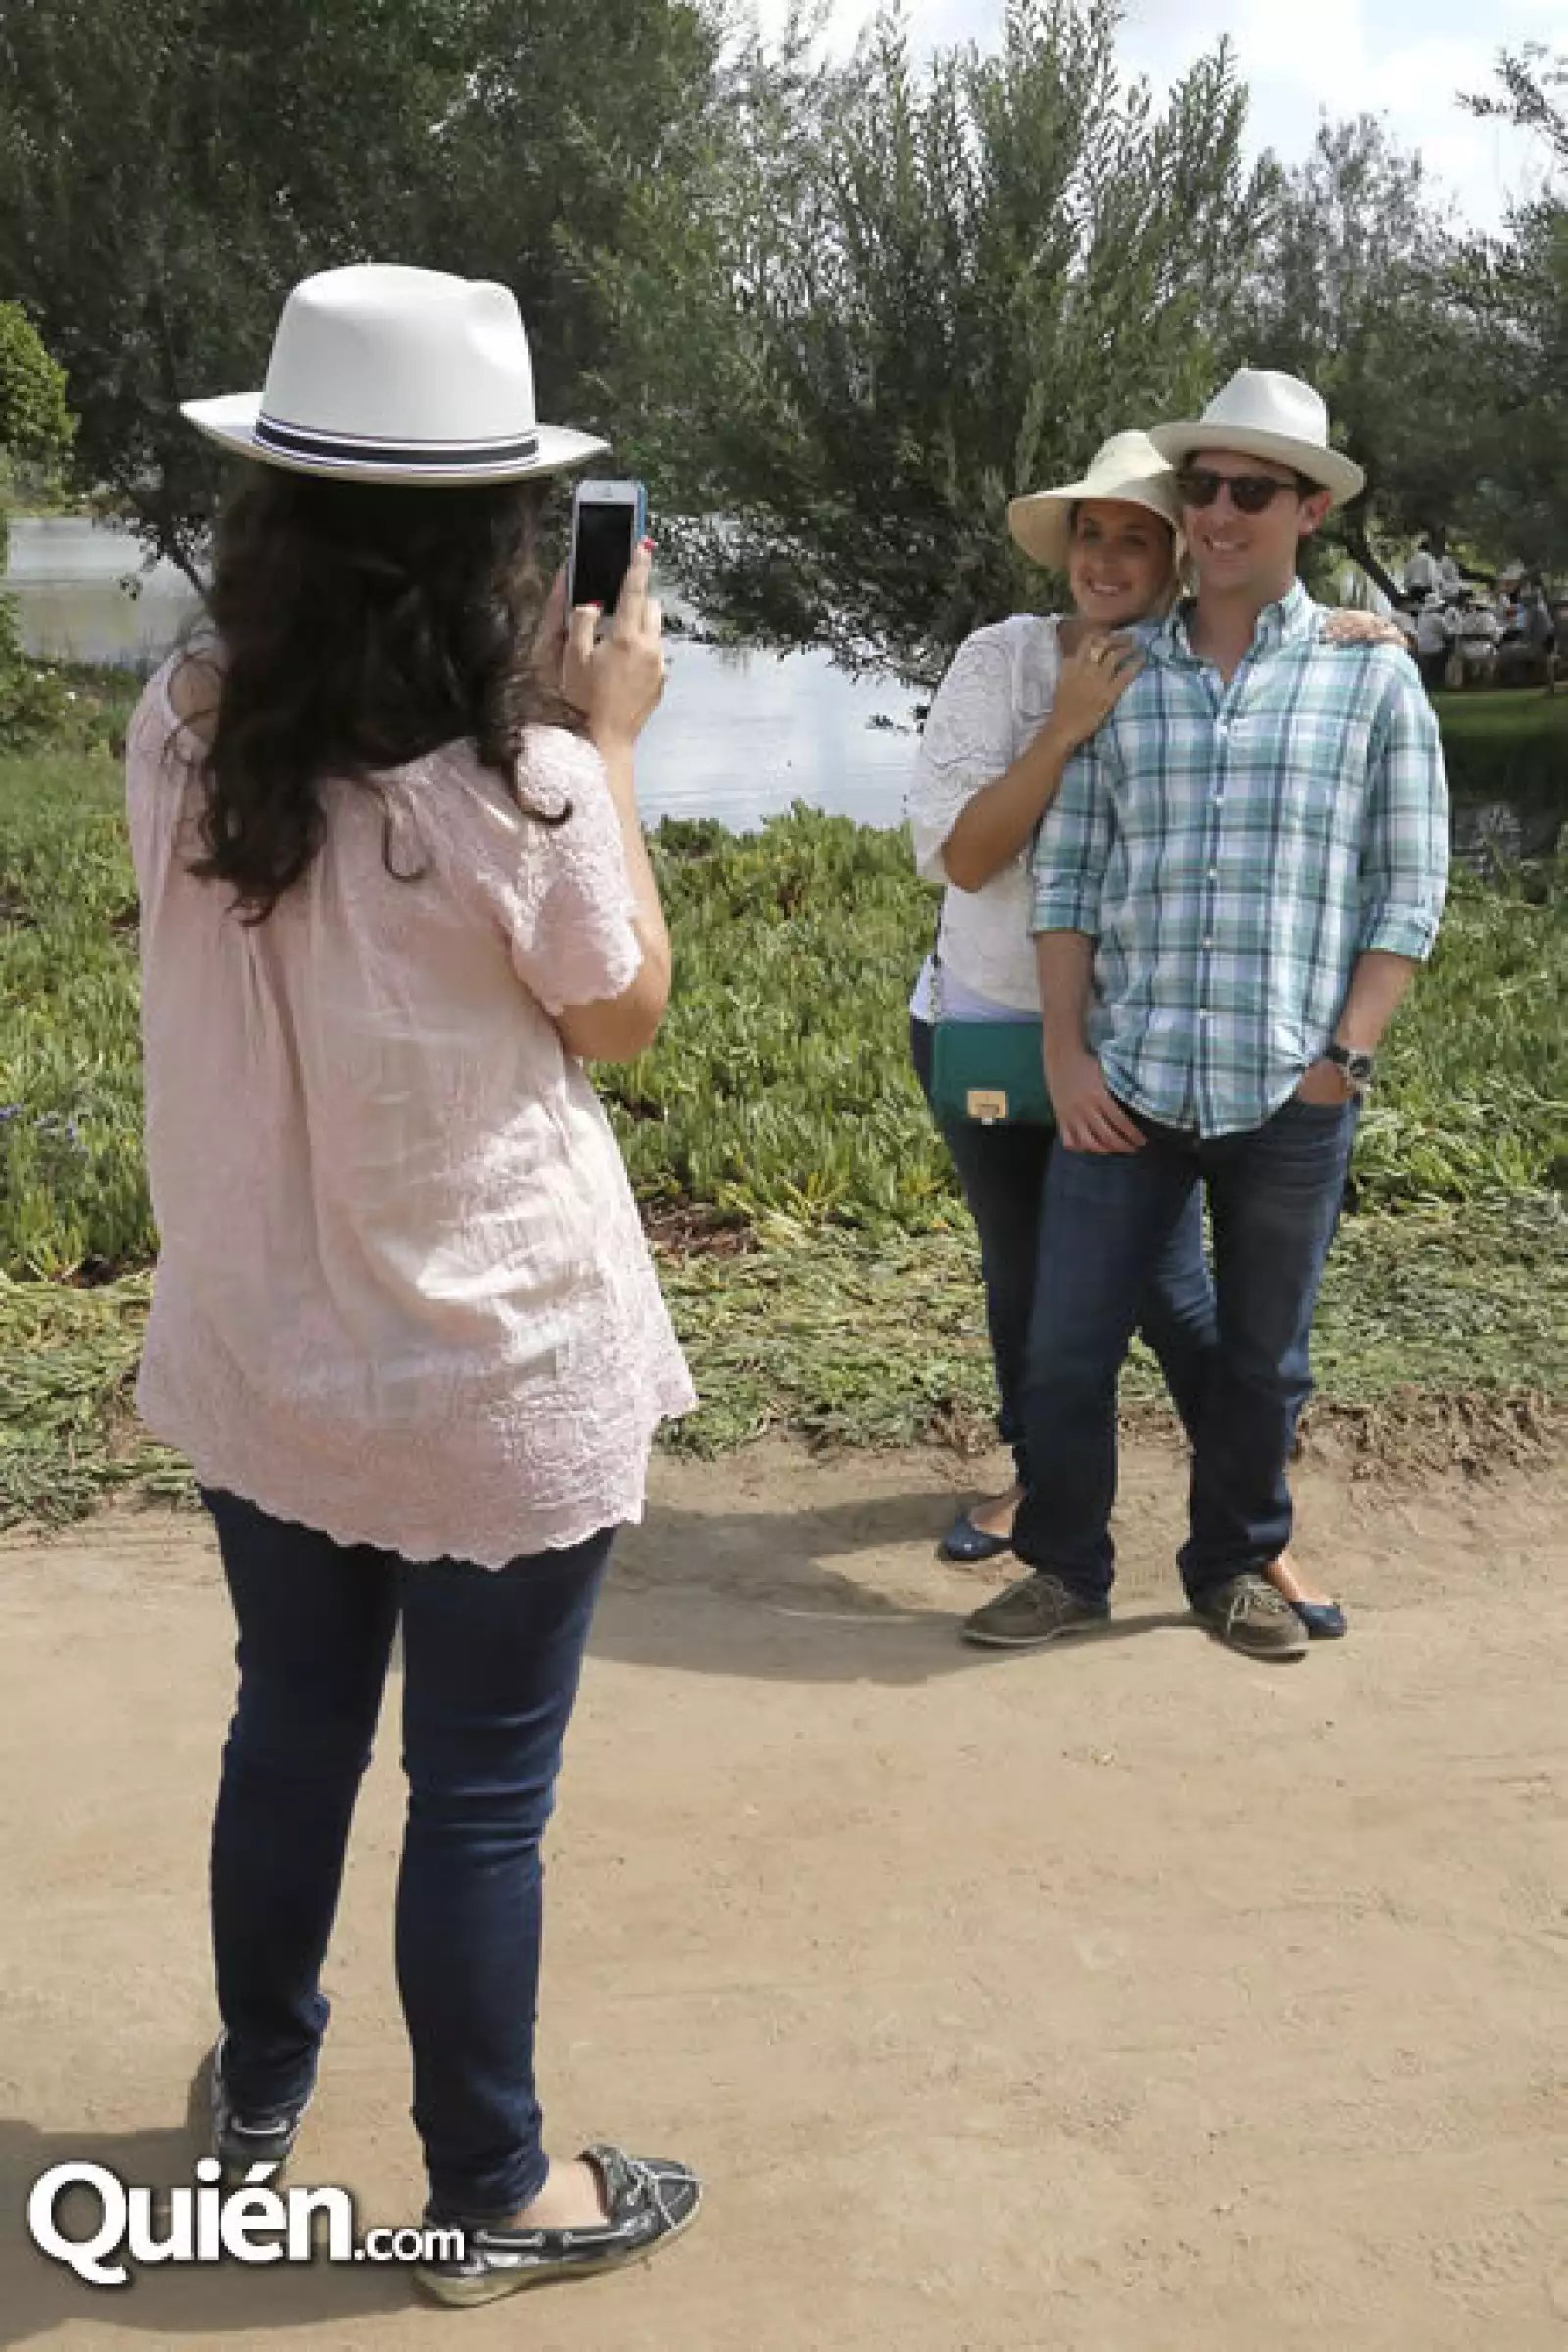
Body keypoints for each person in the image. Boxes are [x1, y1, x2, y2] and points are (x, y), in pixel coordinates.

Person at [125, 264, 701, 2307]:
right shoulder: (519, 782)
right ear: (502, 540)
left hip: (266, 1342)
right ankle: (493, 2191)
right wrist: (606, 738)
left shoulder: (182, 728)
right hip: (490, 1363)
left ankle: (262, 2090)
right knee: (478, 1797)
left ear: (272, 508)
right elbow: (621, 1011)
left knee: (288, 1731)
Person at [962, 368, 1448, 1663]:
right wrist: (1065, 1051)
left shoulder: (1371, 681)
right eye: (1204, 489)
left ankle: (1232, 1566)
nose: (1221, 513)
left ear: (1306, 512)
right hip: (1131, 1083)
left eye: (1252, 491)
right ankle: (1063, 1568)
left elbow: (1411, 883)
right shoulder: (1121, 678)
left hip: (1291, 1091)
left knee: (1261, 1361)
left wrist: (1346, 1058)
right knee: (1065, 1349)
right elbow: (1065, 880)